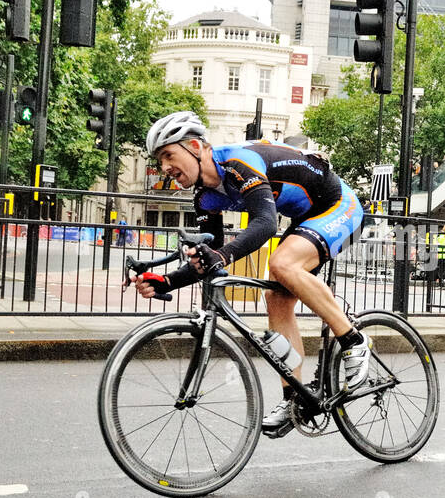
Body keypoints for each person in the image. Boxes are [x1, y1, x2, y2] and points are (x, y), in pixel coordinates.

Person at [133, 111, 369, 439]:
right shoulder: (205, 198)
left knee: (282, 265)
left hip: (339, 206)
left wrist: (221, 254)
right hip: (306, 217)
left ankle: (353, 340)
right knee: (276, 296)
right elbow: (210, 255)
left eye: (169, 155)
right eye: (159, 160)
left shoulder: (237, 164)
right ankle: (296, 401)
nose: (165, 168)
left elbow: (265, 224)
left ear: (196, 146)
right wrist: (168, 279)